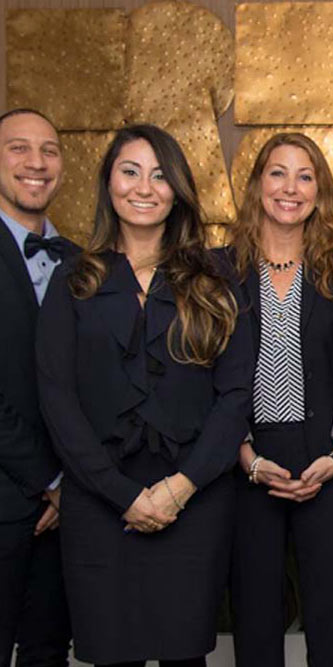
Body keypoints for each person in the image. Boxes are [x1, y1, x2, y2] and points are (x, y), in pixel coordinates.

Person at [35, 124, 253, 666]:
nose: (144, 187)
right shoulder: (72, 282)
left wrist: (178, 490)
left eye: (160, 176)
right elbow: (57, 402)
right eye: (130, 171)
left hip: (195, 503)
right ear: (108, 182)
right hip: (100, 506)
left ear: (177, 189)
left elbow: (234, 399)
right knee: (112, 654)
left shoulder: (215, 283)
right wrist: (123, 496)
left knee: (185, 654)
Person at [227, 132, 333, 667]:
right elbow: (212, 378)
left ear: (320, 191)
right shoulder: (224, 270)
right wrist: (248, 459)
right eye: (278, 173)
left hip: (328, 466)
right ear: (257, 184)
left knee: (332, 621)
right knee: (256, 619)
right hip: (247, 464)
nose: (291, 188)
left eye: (305, 176)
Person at [0, 108, 72, 667]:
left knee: (49, 650)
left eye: (49, 150)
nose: (36, 163)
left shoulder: (79, 260)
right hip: (10, 493)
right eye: (19, 148)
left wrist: (69, 482)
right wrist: (46, 479)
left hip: (67, 504)